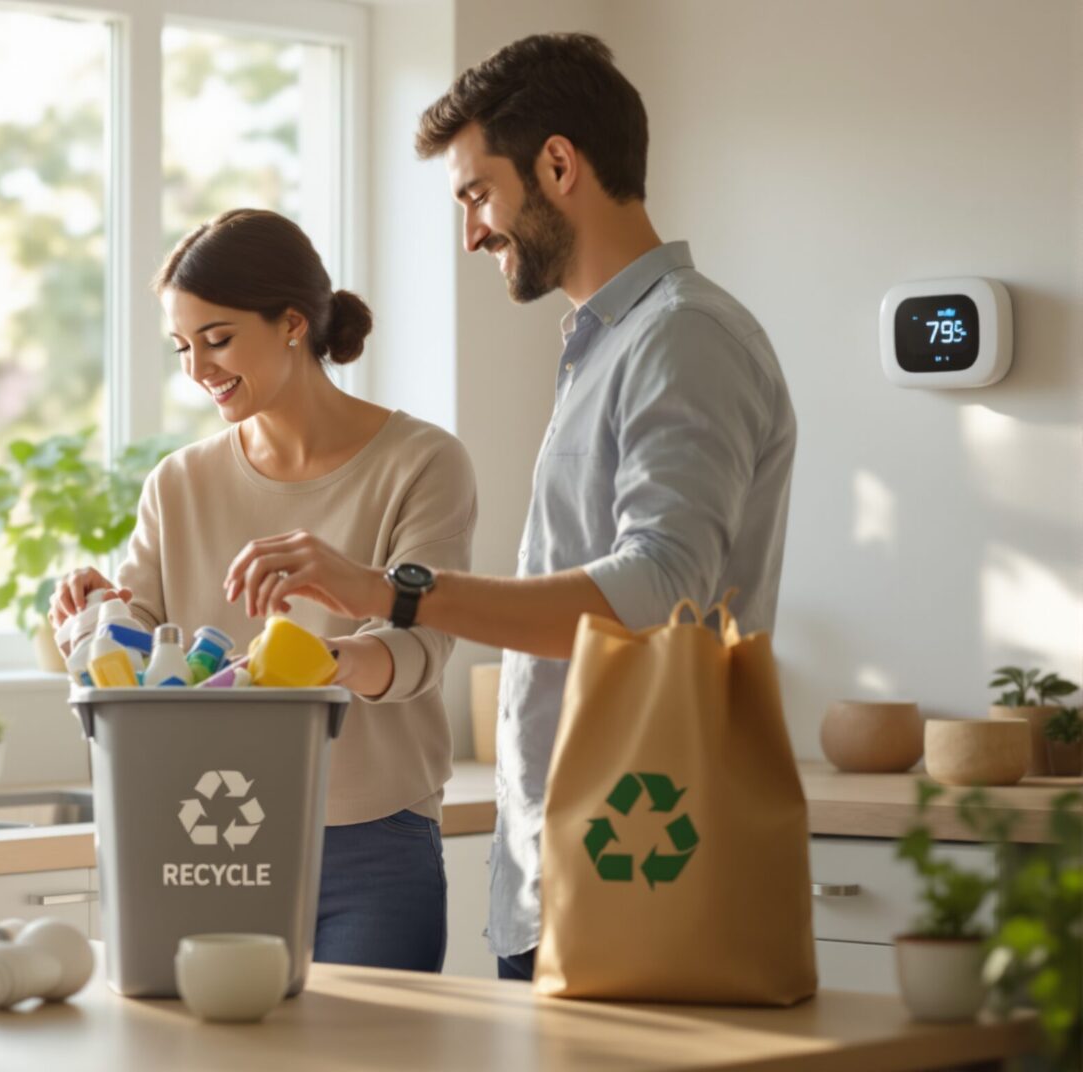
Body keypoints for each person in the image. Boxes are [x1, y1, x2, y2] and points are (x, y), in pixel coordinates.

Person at [222, 33, 797, 981]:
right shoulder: (609, 349)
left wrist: (395, 590)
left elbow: (658, 590)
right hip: (574, 864)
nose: (472, 232)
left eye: (477, 193)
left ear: (559, 164)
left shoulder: (683, 339)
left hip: (644, 863)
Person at [52, 209, 477, 972]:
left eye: (216, 339)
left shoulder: (420, 463)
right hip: (207, 836)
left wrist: (325, 665)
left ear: (291, 323)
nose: (197, 369)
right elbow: (145, 645)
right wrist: (93, 614)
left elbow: (422, 648)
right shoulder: (179, 482)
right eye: (182, 347)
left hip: (371, 843)